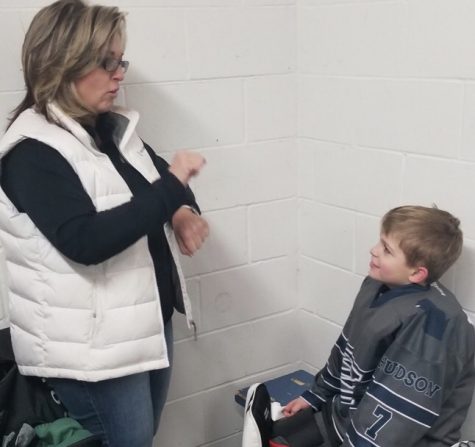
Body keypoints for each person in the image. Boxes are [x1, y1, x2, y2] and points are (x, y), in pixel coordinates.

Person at [0, 0, 209, 445]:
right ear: (60, 62)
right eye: (105, 62)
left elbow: (159, 183)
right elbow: (85, 240)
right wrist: (173, 188)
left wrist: (183, 210)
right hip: (92, 353)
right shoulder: (32, 152)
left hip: (139, 329)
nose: (119, 74)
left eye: (120, 60)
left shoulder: (110, 131)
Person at [243, 206, 475, 447]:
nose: (373, 250)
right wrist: (316, 394)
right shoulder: (377, 283)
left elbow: (400, 413)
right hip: (349, 416)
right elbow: (347, 348)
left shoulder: (435, 325)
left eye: (386, 249)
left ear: (417, 272)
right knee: (275, 439)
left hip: (403, 439)